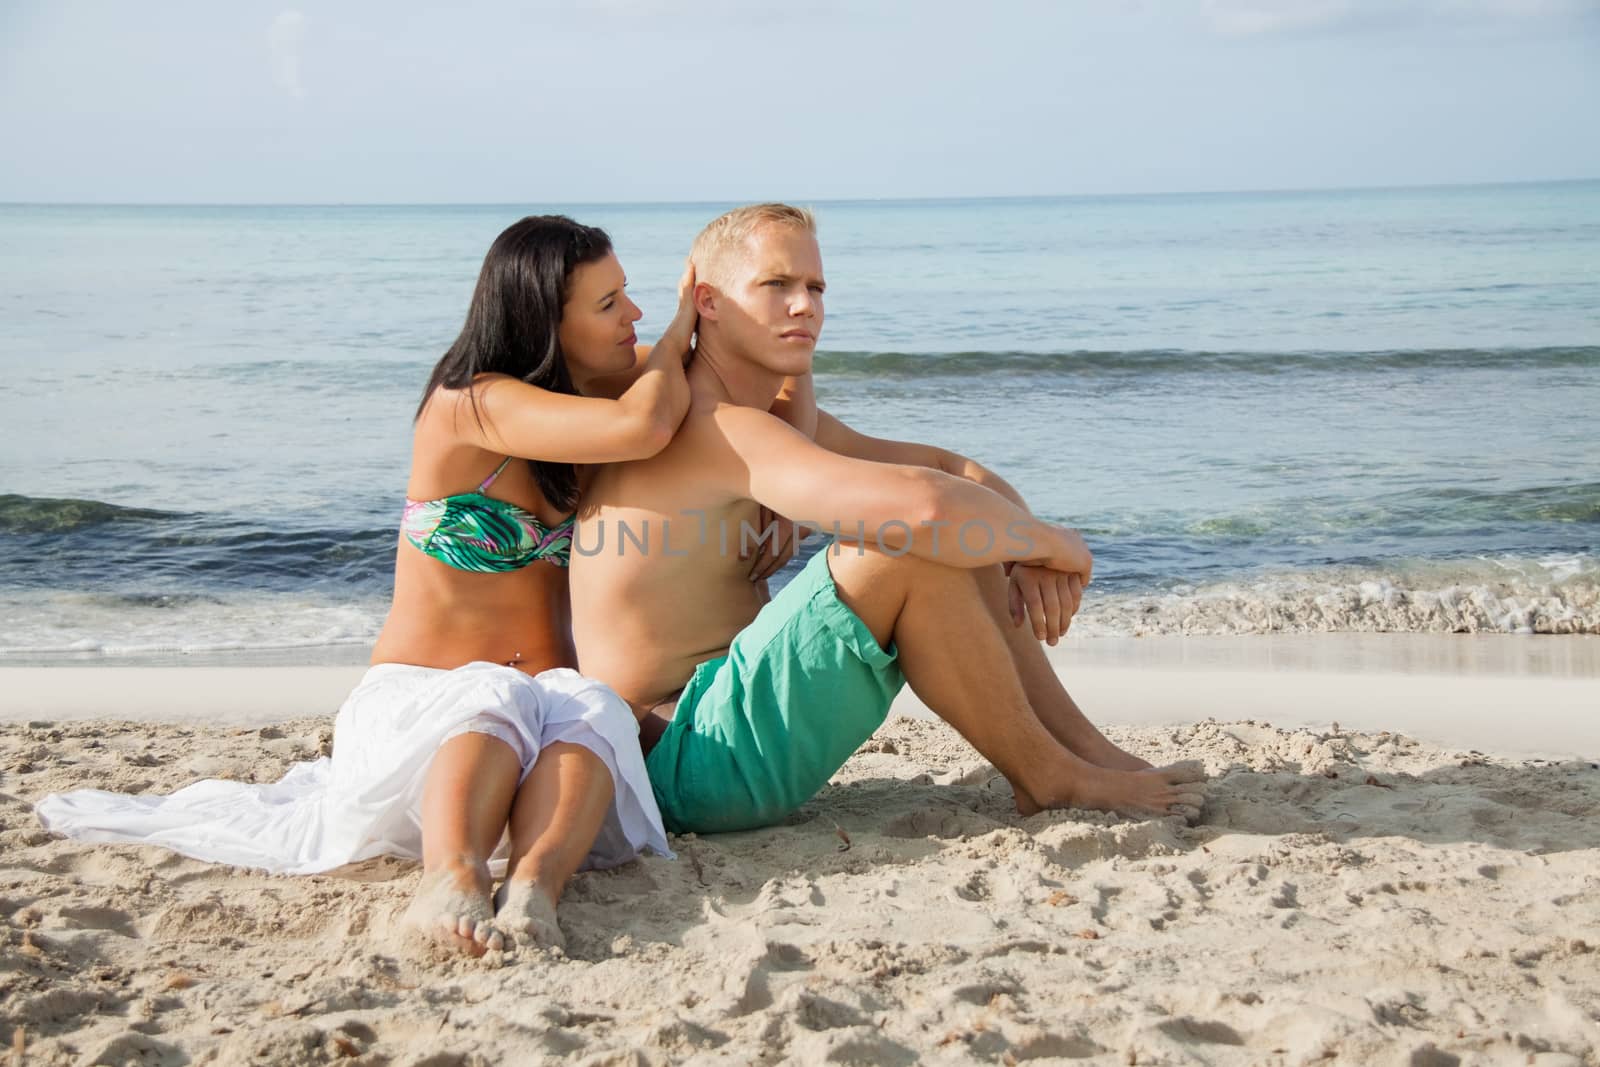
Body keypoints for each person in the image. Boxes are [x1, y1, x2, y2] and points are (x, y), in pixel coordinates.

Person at [39, 216, 695, 957]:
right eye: (610, 303)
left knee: (590, 702)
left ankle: (536, 885)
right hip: (423, 710)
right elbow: (645, 427)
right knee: (493, 691)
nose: (633, 316)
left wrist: (769, 492)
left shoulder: (592, 395)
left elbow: (728, 390)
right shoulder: (468, 401)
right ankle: (451, 876)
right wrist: (678, 329)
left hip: (542, 727)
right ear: (545, 316)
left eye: (631, 298)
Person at [570, 203, 1207, 837]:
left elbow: (948, 473)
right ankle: (1049, 776)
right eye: (776, 285)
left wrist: (1024, 552)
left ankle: (1084, 754)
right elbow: (925, 509)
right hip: (684, 757)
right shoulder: (715, 428)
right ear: (708, 302)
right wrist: (1060, 545)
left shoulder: (755, 419)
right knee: (902, 543)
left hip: (728, 727)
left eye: (815, 287)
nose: (805, 306)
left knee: (957, 533)